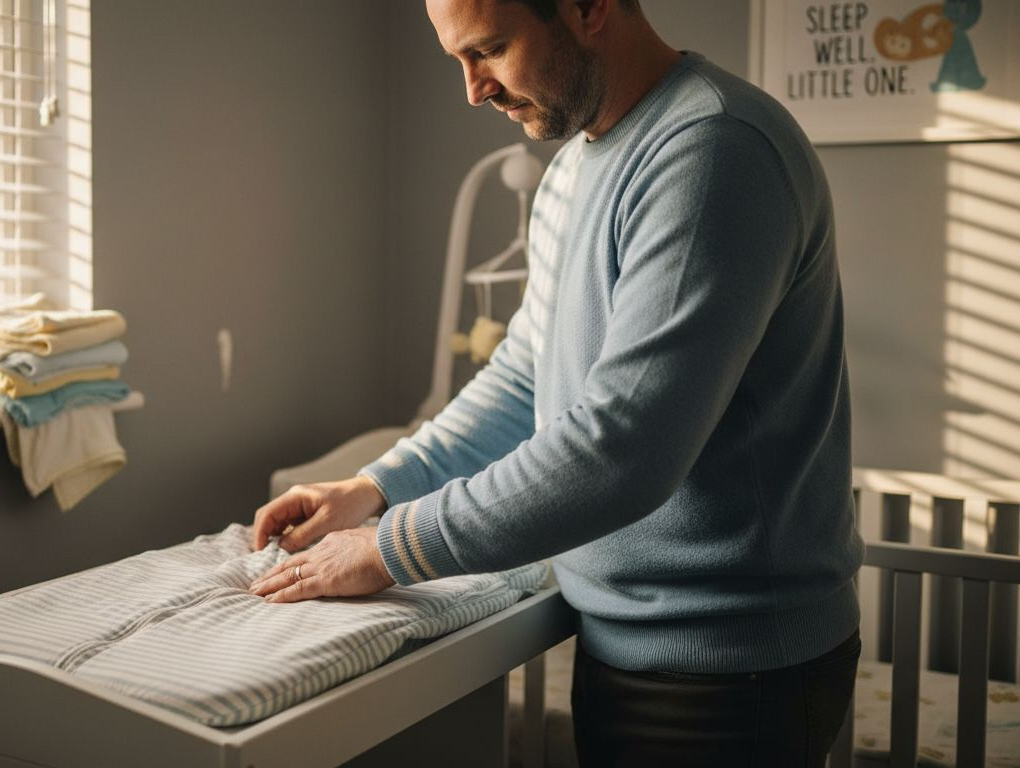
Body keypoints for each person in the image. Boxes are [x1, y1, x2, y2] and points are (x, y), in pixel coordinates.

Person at [248, 0, 863, 764]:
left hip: (731, 669)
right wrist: (375, 487)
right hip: (624, 641)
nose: (473, 90)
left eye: (492, 50)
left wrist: (391, 549)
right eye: (458, 59)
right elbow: (522, 377)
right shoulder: (575, 167)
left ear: (589, 8)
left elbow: (625, 451)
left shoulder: (712, 151)